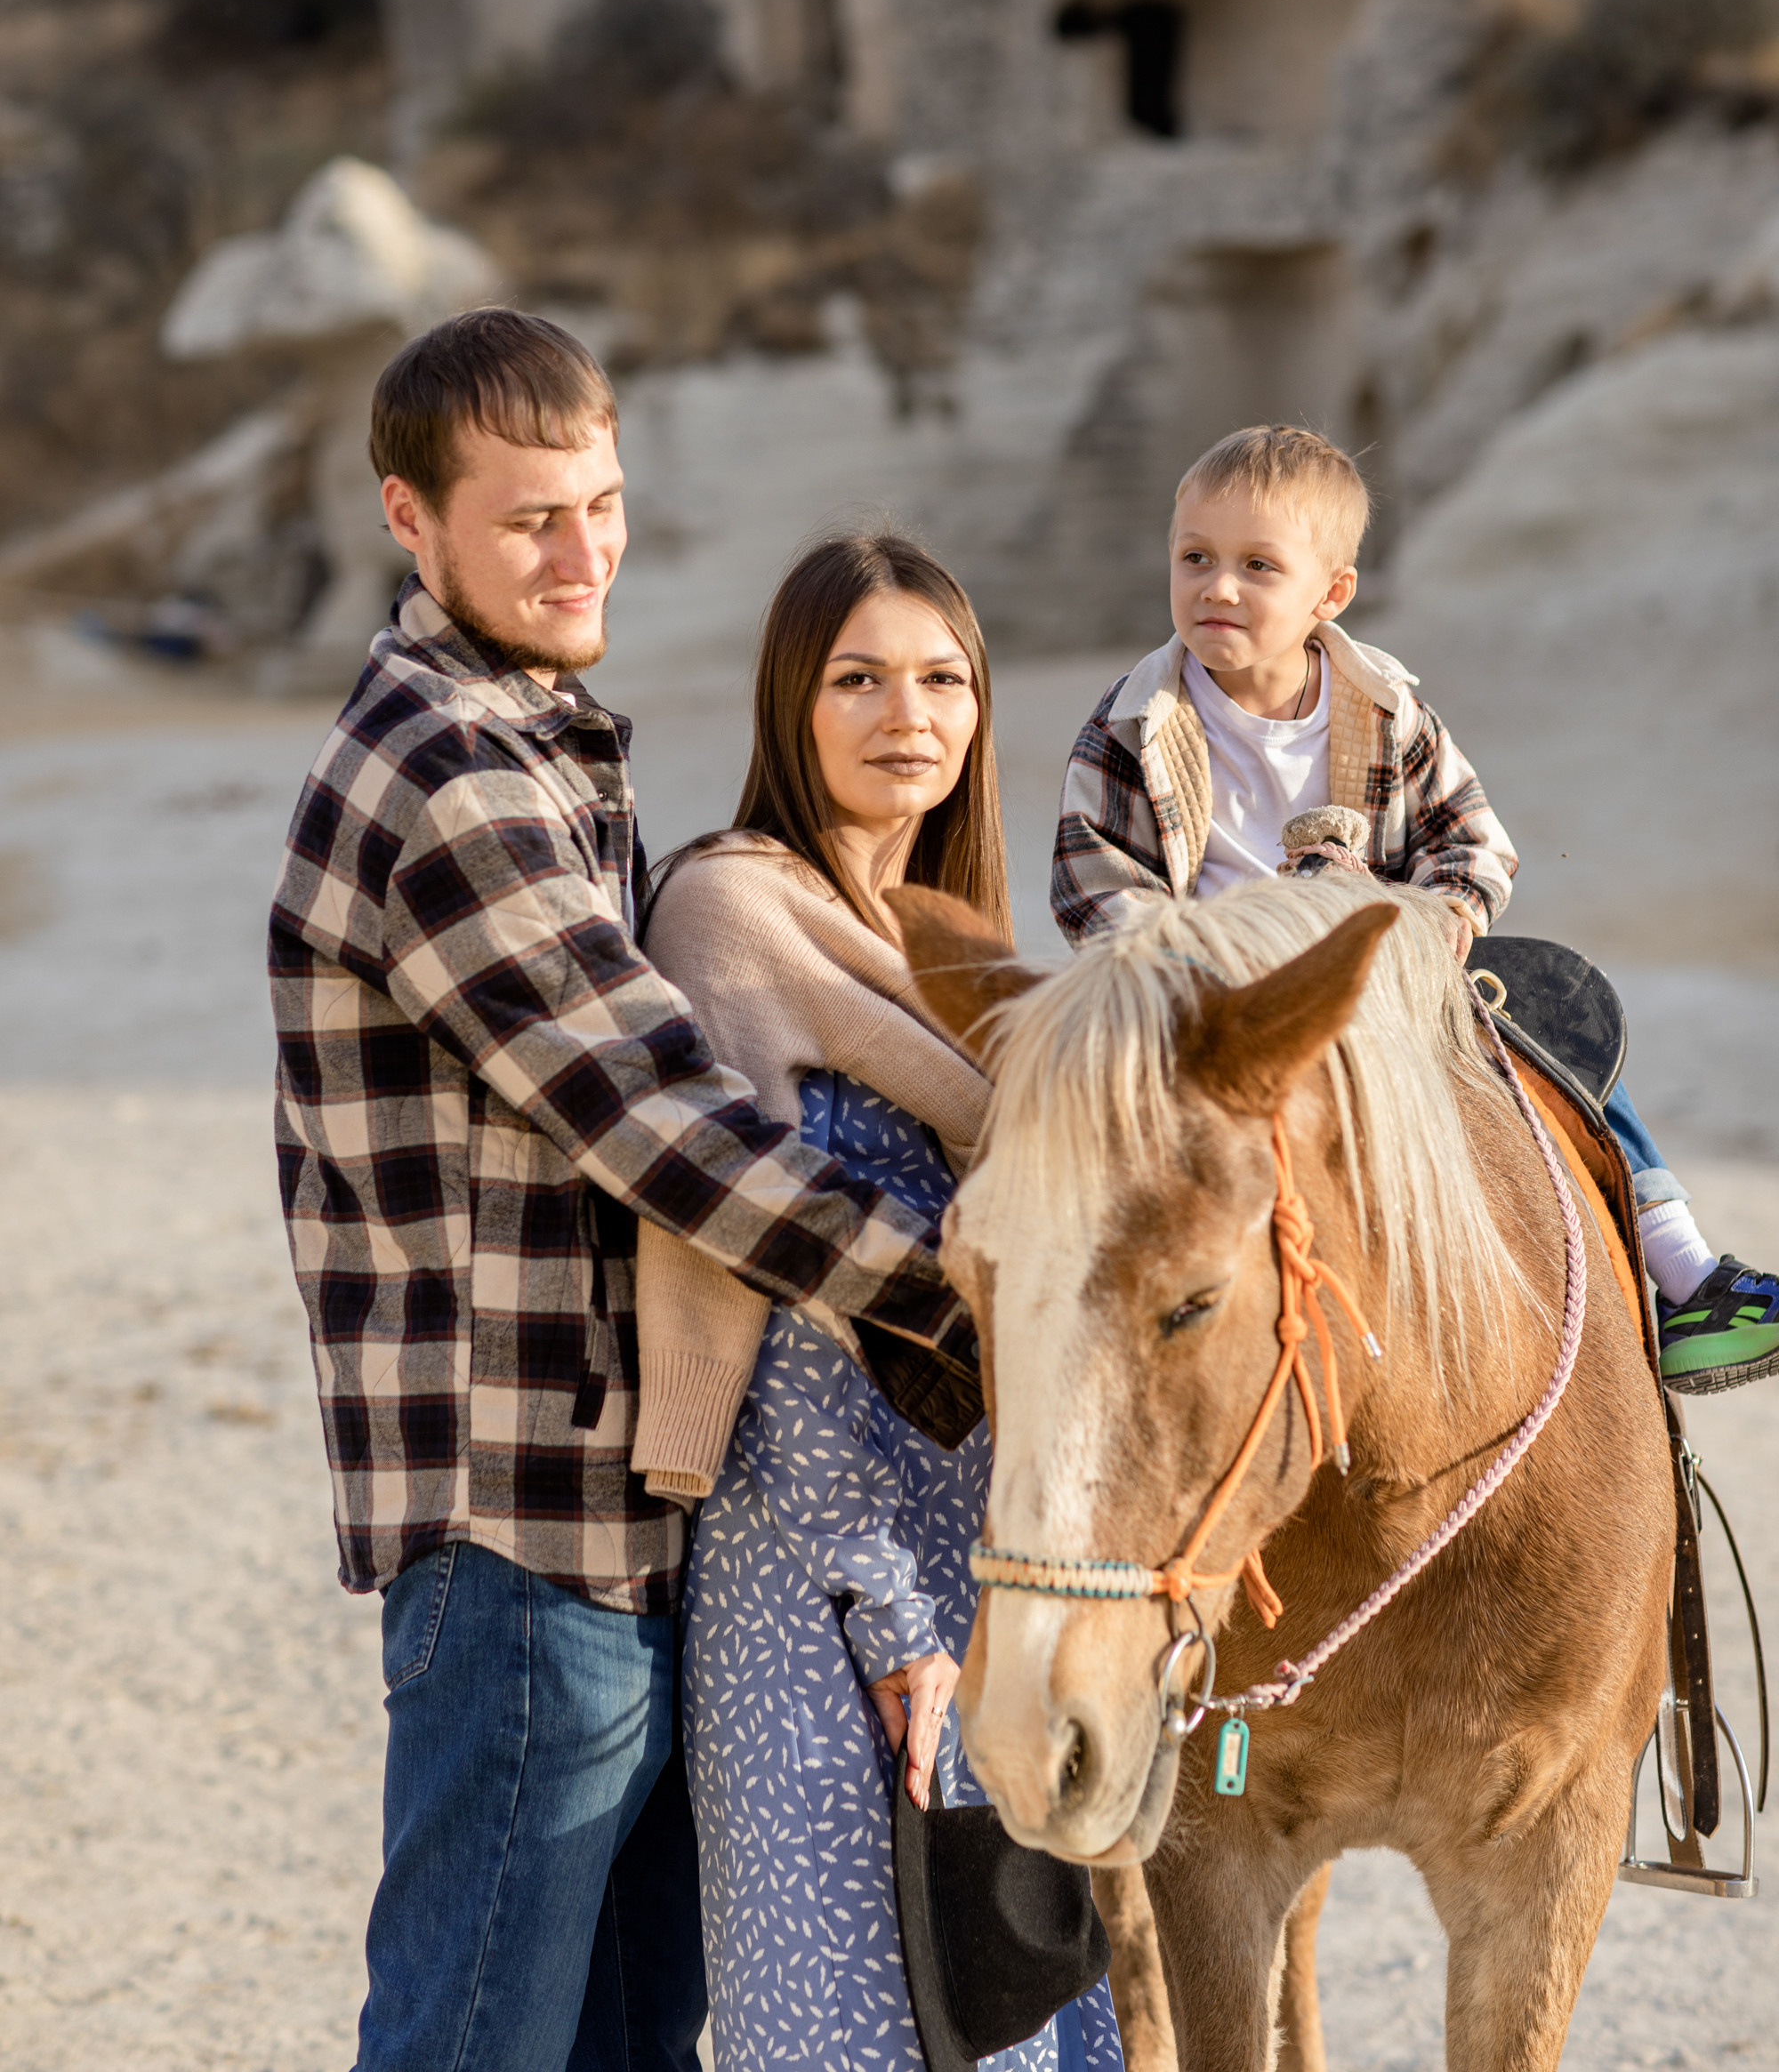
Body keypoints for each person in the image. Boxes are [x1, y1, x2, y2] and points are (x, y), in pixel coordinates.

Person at [270, 314, 978, 2072]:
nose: (583, 552)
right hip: (521, 1534)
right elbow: (664, 1128)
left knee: (631, 2045)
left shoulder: (546, 742)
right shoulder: (444, 771)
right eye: (529, 520)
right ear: (409, 522)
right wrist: (969, 1297)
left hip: (617, 1540)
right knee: (476, 2043)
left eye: (602, 504)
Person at [638, 533, 1123, 2072]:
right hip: (814, 1583)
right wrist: (893, 1619)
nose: (904, 715)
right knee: (851, 2027)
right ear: (793, 701)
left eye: (941, 680)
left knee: (1016, 2013)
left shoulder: (975, 968)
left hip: (998, 1590)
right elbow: (772, 1290)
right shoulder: (732, 914)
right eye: (857, 679)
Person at [1050, 422, 1779, 1393]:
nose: (1215, 588)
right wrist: (1195, 964)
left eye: (1256, 566)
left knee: (1550, 1019)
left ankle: (1684, 1270)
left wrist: (1434, 920)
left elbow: (1472, 841)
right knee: (1098, 1113)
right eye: (1194, 558)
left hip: (1381, 974)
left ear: (1328, 594)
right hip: (1213, 1000)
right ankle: (1088, 1332)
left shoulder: (1383, 707)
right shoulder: (1133, 725)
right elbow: (1091, 883)